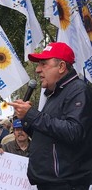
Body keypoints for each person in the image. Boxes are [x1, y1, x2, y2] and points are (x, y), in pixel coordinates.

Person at [10, 42, 92, 189]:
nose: (37, 70)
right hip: (50, 183)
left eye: (43, 64)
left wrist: (33, 115)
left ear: (61, 67)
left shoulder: (78, 90)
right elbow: (47, 135)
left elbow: (74, 132)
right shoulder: (55, 94)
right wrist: (26, 120)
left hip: (66, 184)